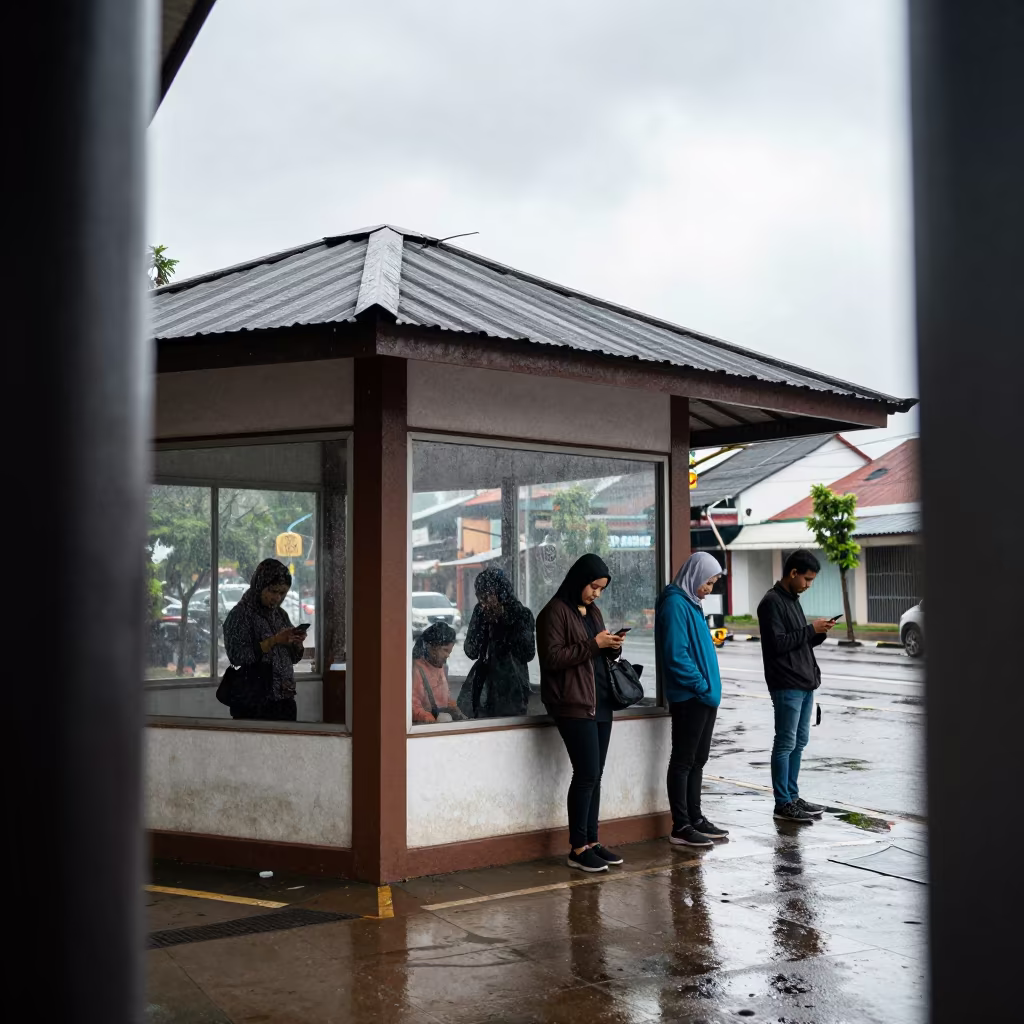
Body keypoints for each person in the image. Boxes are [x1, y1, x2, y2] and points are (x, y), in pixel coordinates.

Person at [537, 553, 625, 873]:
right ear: (579, 580)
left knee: (596, 775)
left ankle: (592, 840)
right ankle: (577, 848)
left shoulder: (593, 611)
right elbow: (552, 659)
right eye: (593, 586)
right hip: (572, 704)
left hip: (599, 701)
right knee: (586, 773)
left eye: (601, 589)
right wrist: (594, 645)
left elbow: (598, 653)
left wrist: (612, 646)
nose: (596, 594)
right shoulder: (553, 612)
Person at [656, 551, 730, 848]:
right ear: (694, 576)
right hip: (690, 697)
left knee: (698, 760)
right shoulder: (675, 603)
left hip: (703, 697)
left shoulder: (692, 603)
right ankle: (681, 826)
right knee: (684, 761)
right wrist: (700, 685)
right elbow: (676, 654)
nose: (709, 589)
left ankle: (696, 818)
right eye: (707, 582)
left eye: (712, 584)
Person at [757, 549, 835, 823]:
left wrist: (818, 632)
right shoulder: (771, 602)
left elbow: (798, 641)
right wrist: (810, 630)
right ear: (793, 573)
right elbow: (778, 645)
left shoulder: (792, 599)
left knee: (799, 741)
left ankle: (793, 795)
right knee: (786, 741)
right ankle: (783, 803)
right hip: (786, 682)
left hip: (804, 681)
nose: (808, 585)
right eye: (807, 579)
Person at [222, 558, 306, 721]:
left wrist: (296, 643)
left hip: (284, 700)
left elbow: (293, 659)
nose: (277, 598)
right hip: (254, 704)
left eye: (282, 593)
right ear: (259, 586)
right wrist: (274, 641)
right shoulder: (240, 616)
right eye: (273, 591)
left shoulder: (280, 615)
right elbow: (238, 657)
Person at [462, 567, 535, 718]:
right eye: (479, 597)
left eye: (487, 596)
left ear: (502, 594)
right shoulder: (480, 612)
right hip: (484, 687)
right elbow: (471, 651)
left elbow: (528, 653)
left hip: (512, 688)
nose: (483, 603)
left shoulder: (521, 614)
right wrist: (482, 625)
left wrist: (503, 621)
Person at [412, 622, 467, 724]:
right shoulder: (416, 670)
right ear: (431, 646)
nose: (447, 656)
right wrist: (428, 718)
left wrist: (453, 708)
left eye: (449, 652)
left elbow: (445, 697)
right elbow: (412, 705)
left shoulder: (440, 667)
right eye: (445, 650)